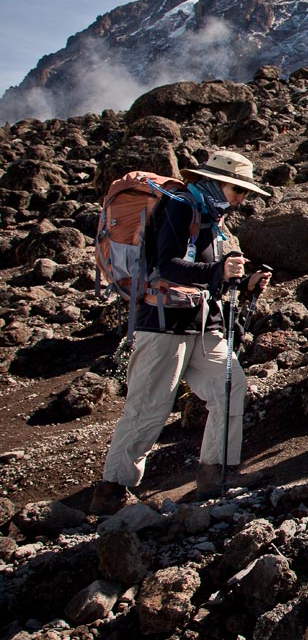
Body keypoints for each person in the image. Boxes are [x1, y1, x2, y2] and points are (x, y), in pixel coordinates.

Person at [91, 150, 273, 514]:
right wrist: (219, 272)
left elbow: (206, 271)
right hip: (163, 323)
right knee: (149, 405)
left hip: (201, 321)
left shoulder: (212, 217)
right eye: (238, 190)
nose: (242, 198)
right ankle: (113, 489)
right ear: (217, 182)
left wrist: (246, 280)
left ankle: (216, 473)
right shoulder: (180, 207)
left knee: (230, 386)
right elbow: (169, 265)